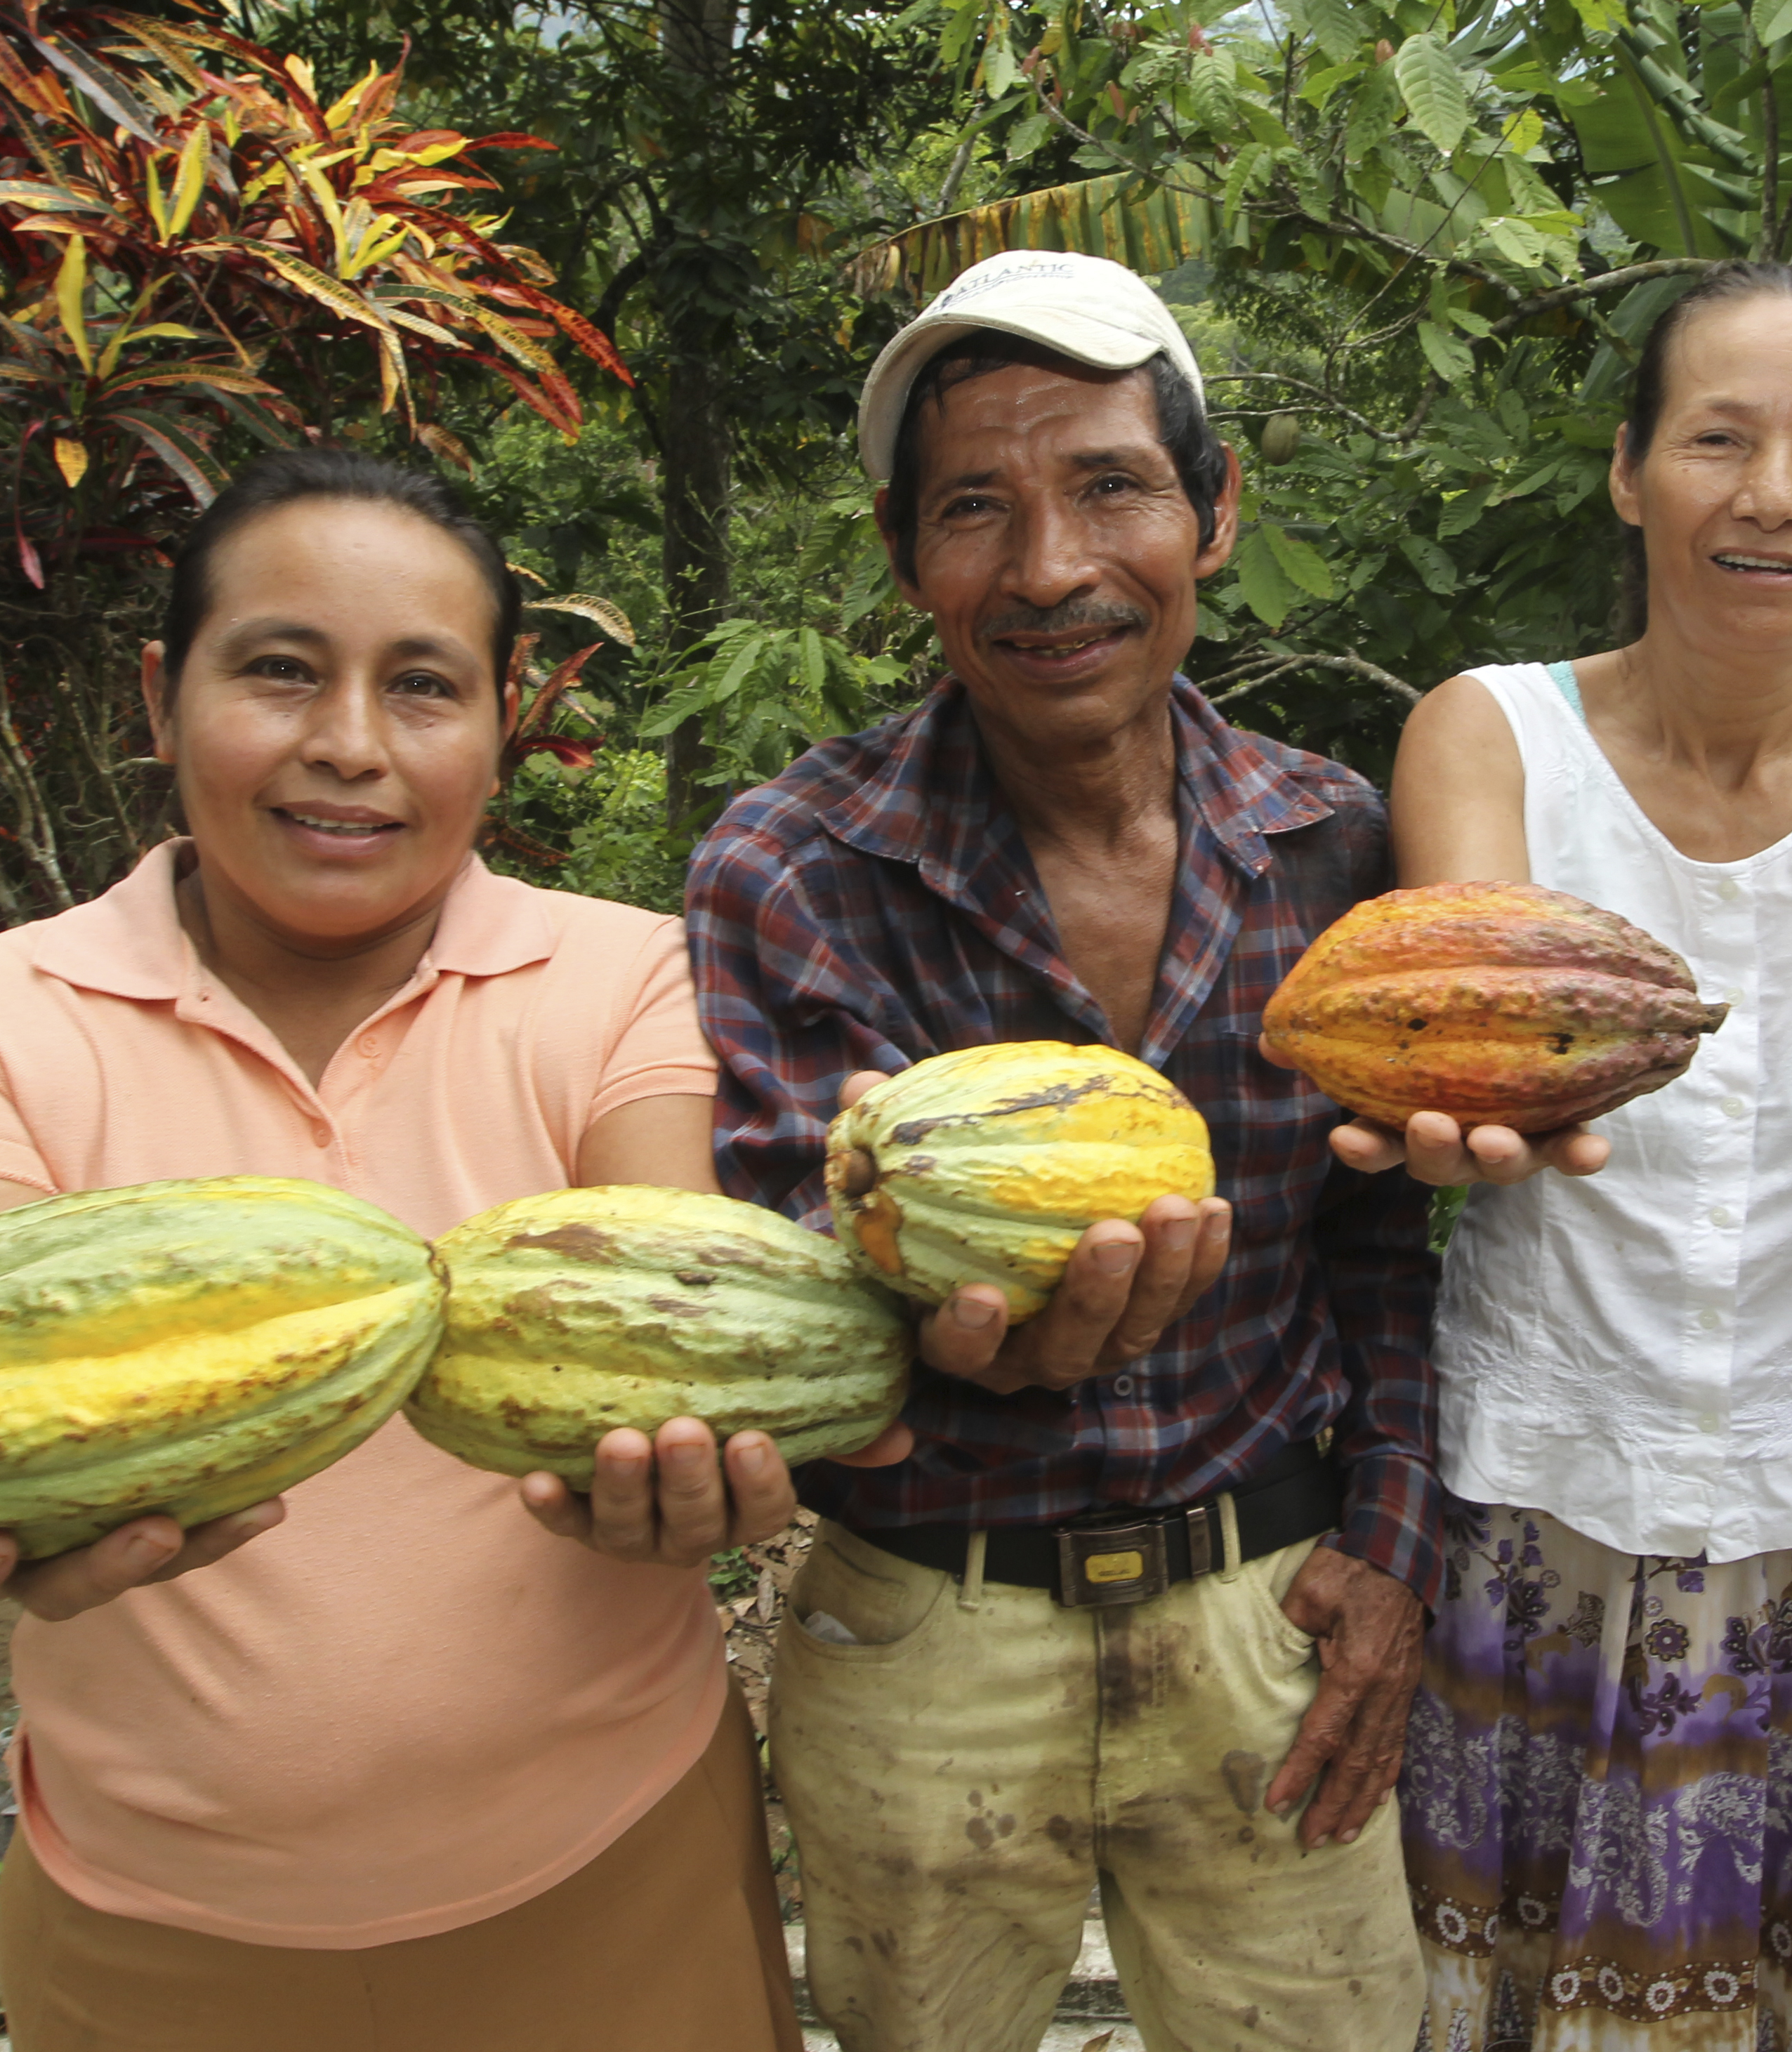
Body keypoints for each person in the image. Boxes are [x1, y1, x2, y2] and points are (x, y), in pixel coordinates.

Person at [0, 450, 867, 2050]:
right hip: (151, 1936)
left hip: (617, 1882)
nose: (348, 748)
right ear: (164, 697)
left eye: (422, 686)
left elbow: (674, 1310)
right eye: (281, 670)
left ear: (507, 721)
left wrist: (701, 1458)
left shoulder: (630, 980)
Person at [687, 249, 1437, 2051]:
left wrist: (1396, 1541)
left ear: (1216, 507)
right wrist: (964, 1349)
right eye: (975, 510)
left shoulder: (1339, 845)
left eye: (1110, 484)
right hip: (926, 1636)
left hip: (1272, 1611)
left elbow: (1387, 1254)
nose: (1049, 570)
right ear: (903, 559)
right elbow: (814, 1289)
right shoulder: (795, 868)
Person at [1373, 258, 1792, 2052]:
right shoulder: (1488, 731)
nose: (1775, 495)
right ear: (1628, 473)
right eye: (1718, 439)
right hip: (1538, 1501)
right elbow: (1472, 1031)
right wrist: (1472, 1140)